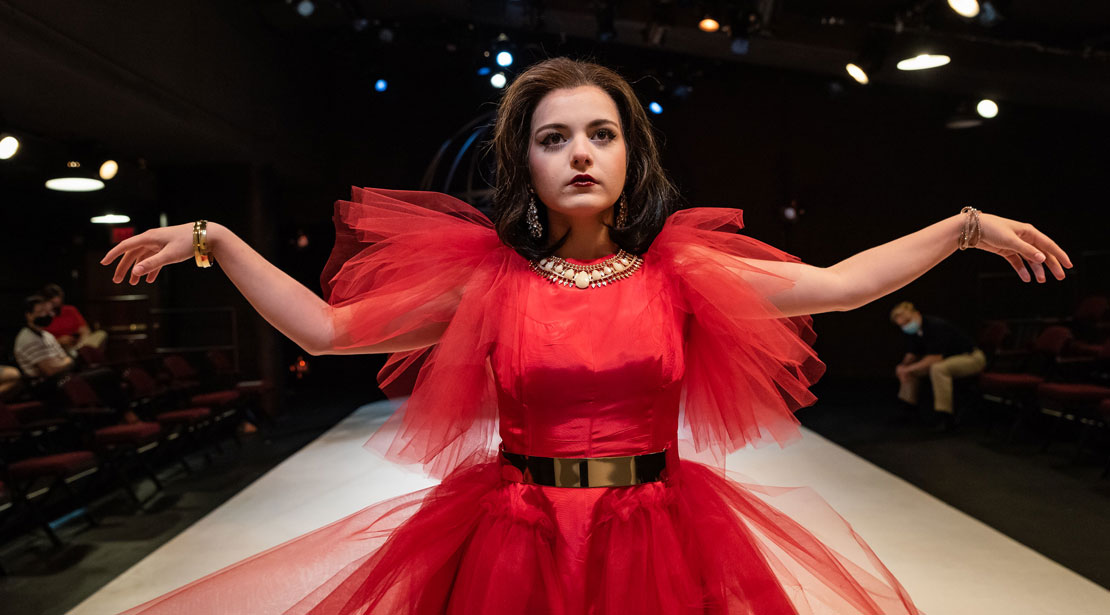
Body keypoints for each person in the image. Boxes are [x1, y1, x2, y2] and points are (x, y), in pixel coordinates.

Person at [100, 57, 1071, 614]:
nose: (579, 154)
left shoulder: (681, 269)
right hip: (514, 540)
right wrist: (214, 241)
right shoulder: (487, 276)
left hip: (658, 531)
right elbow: (329, 326)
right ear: (525, 158)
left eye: (600, 134)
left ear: (630, 153)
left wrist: (965, 227)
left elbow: (842, 287)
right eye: (554, 136)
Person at [891, 301, 988, 430]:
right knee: (911, 370)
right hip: (948, 359)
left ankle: (944, 416)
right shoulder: (915, 333)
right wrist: (903, 367)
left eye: (908, 321)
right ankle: (907, 408)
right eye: (902, 325)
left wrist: (907, 369)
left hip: (971, 358)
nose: (906, 326)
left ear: (917, 314)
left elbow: (934, 358)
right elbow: (911, 354)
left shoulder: (935, 326)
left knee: (938, 369)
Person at [14, 294, 77, 401]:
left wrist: (65, 361)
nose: (47, 315)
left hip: (60, 379)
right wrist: (69, 360)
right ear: (29, 315)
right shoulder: (27, 338)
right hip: (44, 387)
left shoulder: (47, 335)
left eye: (49, 312)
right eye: (41, 312)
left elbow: (62, 357)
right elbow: (50, 370)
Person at [40, 282, 108, 354]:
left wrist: (80, 344)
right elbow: (41, 340)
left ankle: (81, 353)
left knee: (101, 334)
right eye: (52, 298)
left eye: (58, 297)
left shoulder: (70, 310)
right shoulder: (42, 315)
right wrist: (59, 341)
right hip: (56, 348)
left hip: (77, 345)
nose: (56, 300)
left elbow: (85, 331)